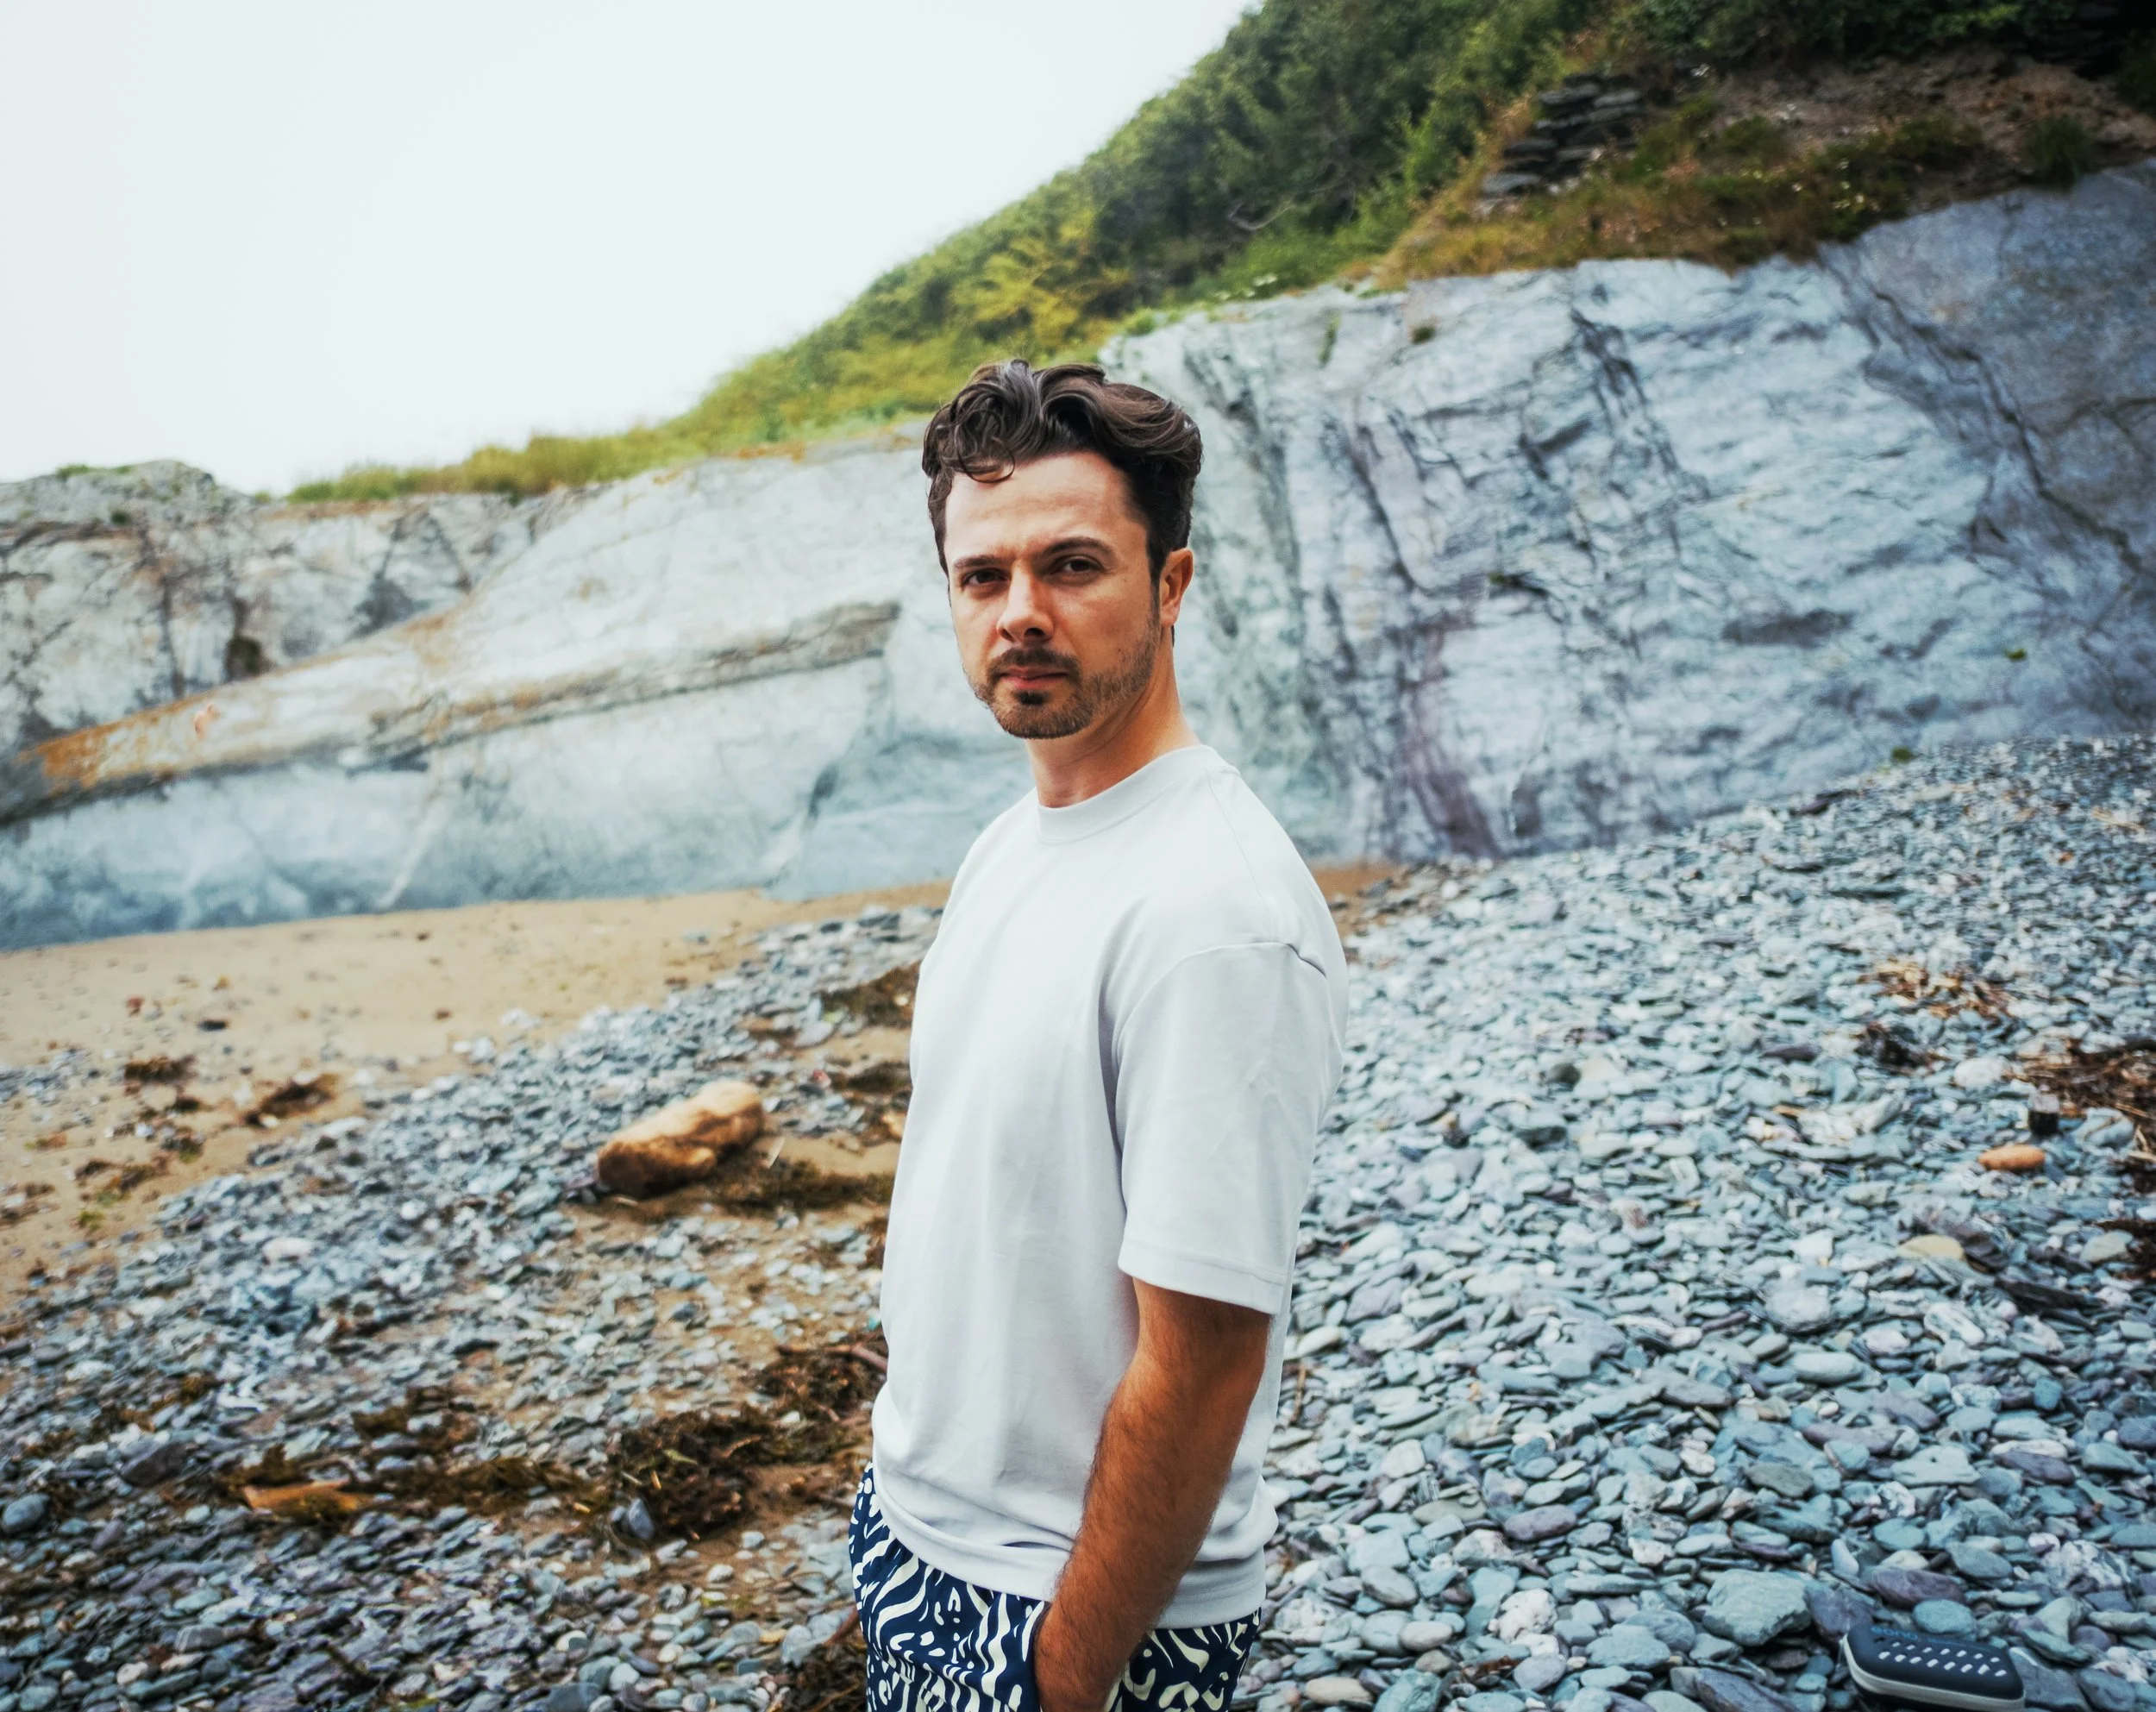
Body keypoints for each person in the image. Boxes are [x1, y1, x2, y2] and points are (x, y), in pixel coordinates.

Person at [850, 360, 1350, 1712]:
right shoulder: (1013, 845)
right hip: (922, 1540)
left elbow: (1203, 1363)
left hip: (1075, 1609)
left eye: (1072, 566)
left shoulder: (1213, 916)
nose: (1021, 614)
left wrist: (1065, 1676)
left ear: (1172, 586)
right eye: (982, 576)